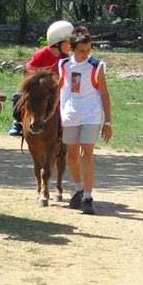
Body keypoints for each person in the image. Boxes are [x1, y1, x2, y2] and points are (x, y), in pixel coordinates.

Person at [58, 26, 112, 215]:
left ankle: (88, 198)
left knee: (87, 154)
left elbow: (104, 94)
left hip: (92, 114)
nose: (86, 54)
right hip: (71, 115)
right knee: (71, 155)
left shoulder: (97, 66)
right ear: (71, 49)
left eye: (88, 50)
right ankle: (79, 188)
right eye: (82, 51)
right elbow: (60, 89)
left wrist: (108, 122)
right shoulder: (63, 65)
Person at [8, 20, 74, 136]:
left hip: (55, 89)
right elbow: (29, 71)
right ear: (58, 42)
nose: (71, 46)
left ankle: (65, 127)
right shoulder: (41, 54)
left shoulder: (66, 58)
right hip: (37, 88)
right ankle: (18, 122)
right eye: (68, 43)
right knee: (18, 96)